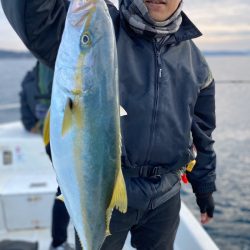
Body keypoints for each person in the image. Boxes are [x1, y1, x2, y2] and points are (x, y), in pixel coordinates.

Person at [2, 0, 216, 249]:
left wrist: (204, 187)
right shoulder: (100, 25)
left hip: (165, 197)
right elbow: (36, 16)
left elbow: (202, 134)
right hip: (101, 190)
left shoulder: (197, 64)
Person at [19, 61, 73, 250]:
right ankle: (60, 242)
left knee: (65, 188)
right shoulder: (62, 69)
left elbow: (26, 113)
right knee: (70, 190)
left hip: (49, 140)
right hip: (69, 139)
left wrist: (35, 124)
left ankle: (58, 242)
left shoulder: (29, 78)